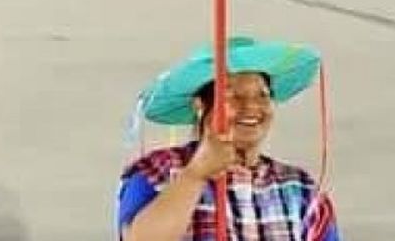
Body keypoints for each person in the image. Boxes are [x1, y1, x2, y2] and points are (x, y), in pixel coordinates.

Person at [117, 36, 340, 241]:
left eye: (262, 95)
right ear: (200, 105)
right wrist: (196, 174)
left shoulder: (301, 189)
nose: (252, 106)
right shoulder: (156, 171)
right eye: (233, 95)